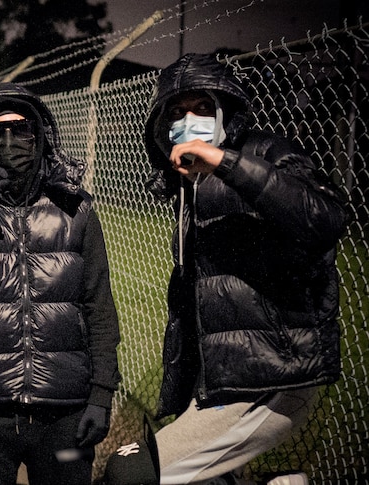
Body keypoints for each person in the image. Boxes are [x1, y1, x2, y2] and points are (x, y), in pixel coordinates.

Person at [143, 53, 349, 485]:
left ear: (225, 110)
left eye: (202, 108)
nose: (189, 120)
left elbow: (326, 218)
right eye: (177, 112)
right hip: (220, 379)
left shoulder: (265, 150)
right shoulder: (188, 187)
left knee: (133, 472)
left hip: (269, 379)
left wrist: (224, 162)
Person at [0, 82, 121, 485]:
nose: (9, 141)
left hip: (63, 408)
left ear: (39, 135)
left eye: (20, 129)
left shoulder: (76, 210)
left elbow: (99, 308)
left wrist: (101, 395)